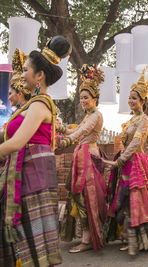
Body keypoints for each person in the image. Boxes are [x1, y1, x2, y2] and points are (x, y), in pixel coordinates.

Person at [0, 35, 71, 267]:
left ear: (39, 75)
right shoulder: (30, 105)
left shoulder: (40, 104)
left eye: (27, 70)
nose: (22, 74)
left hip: (33, 175)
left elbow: (16, 142)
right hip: (27, 170)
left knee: (31, 235)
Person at [103, 66, 148, 256]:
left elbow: (136, 142)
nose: (130, 101)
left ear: (143, 101)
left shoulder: (143, 119)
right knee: (123, 199)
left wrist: (122, 159)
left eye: (134, 98)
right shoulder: (130, 120)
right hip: (125, 161)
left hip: (135, 162)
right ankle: (128, 236)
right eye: (129, 98)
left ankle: (138, 240)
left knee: (132, 198)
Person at [58, 64, 107, 253]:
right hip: (81, 155)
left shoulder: (96, 115)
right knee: (79, 196)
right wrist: (62, 129)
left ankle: (88, 240)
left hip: (89, 156)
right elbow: (77, 129)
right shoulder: (88, 115)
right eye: (81, 98)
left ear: (95, 99)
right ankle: (86, 236)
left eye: (86, 97)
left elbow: (83, 131)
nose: (83, 100)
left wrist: (68, 139)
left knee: (87, 197)